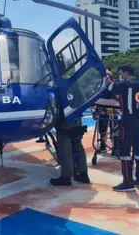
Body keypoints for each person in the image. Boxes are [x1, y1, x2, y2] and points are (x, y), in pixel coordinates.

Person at [106, 64, 139, 192]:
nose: (120, 76)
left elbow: (109, 86)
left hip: (128, 122)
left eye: (121, 73)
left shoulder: (125, 84)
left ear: (126, 73)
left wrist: (107, 74)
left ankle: (128, 182)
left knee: (125, 152)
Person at [50, 57, 90, 186]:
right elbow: (82, 98)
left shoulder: (54, 82)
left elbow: (53, 102)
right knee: (77, 144)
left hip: (63, 119)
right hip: (75, 116)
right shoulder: (73, 80)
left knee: (64, 147)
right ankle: (83, 174)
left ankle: (66, 176)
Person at [97, 67, 120, 157]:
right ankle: (104, 146)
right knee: (104, 126)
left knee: (114, 126)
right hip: (104, 108)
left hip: (111, 108)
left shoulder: (114, 84)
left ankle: (115, 147)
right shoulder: (99, 83)